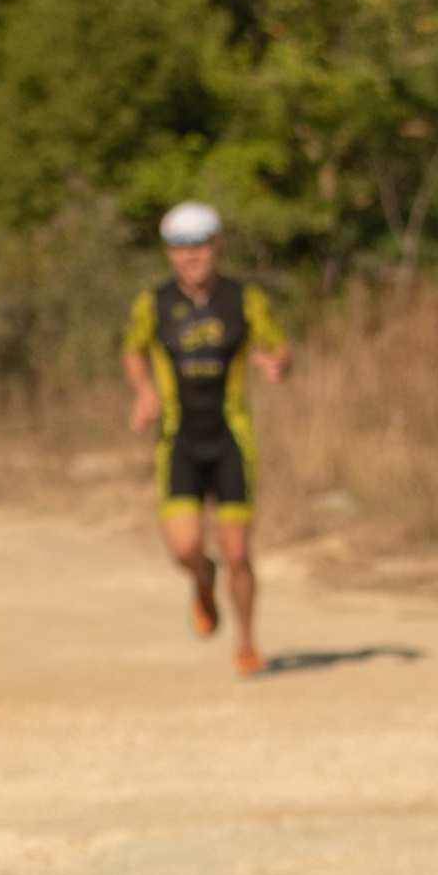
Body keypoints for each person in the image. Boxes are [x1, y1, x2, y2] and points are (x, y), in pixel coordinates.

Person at [121, 199, 290, 671]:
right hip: (179, 442)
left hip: (231, 439)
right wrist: (143, 390)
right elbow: (132, 352)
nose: (191, 255)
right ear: (169, 252)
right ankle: (201, 577)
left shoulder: (244, 299)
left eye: (200, 244)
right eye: (180, 246)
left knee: (239, 553)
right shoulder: (153, 303)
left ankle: (246, 642)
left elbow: (279, 348)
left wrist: (277, 363)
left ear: (217, 245)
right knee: (184, 548)